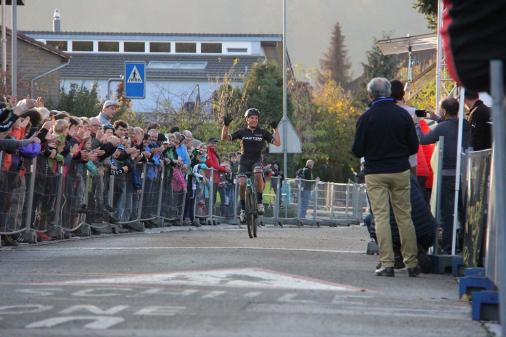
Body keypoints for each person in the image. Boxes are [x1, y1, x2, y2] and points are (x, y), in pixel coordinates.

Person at [352, 77, 420, 277]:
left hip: (376, 172)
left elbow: (357, 150)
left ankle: (387, 263)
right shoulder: (403, 115)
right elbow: (414, 146)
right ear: (390, 93)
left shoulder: (366, 117)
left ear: (370, 94)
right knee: (404, 216)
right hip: (400, 170)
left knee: (381, 217)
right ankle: (412, 263)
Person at [417, 97, 470, 254]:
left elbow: (424, 139)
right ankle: (464, 246)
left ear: (445, 111)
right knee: (462, 211)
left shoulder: (443, 127)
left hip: (447, 174)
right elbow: (451, 126)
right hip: (465, 174)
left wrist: (417, 124)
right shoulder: (465, 125)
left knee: (447, 213)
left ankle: (448, 247)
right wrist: (438, 118)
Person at [221, 108, 280, 223]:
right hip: (244, 161)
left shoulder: (263, 132)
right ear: (247, 119)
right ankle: (243, 210)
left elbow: (278, 143)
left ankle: (259, 203)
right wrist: (226, 125)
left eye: (256, 118)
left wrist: (275, 129)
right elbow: (224, 139)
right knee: (242, 184)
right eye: (252, 118)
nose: (254, 120)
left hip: (256, 160)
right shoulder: (242, 132)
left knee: (258, 173)